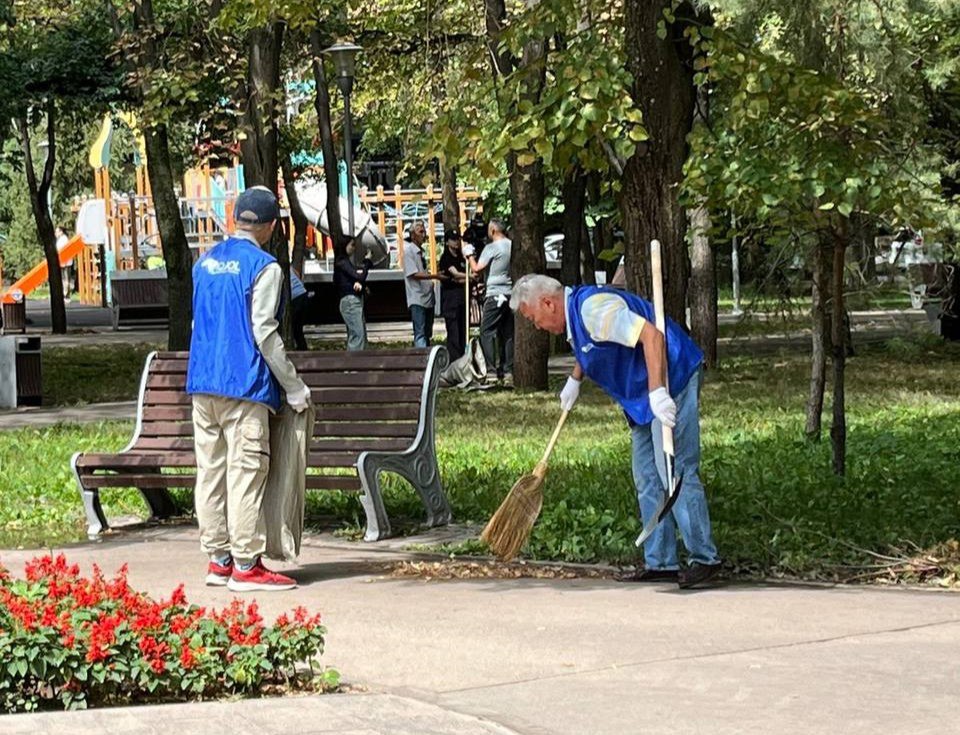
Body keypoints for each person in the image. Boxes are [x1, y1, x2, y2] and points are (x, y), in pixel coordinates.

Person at [509, 274, 722, 589]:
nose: (536, 326)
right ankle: (661, 561)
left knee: (674, 472)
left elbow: (652, 337)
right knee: (647, 477)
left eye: (532, 317)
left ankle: (705, 559)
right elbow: (593, 346)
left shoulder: (594, 311)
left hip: (670, 378)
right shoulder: (574, 313)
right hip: (641, 394)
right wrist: (576, 378)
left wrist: (658, 393)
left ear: (547, 303)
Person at [186, 186, 312, 592]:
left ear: (237, 218)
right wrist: (293, 387)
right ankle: (246, 565)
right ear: (272, 227)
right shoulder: (266, 267)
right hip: (244, 386)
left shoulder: (204, 263)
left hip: (203, 385)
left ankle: (218, 559)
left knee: (211, 472)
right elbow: (264, 332)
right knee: (245, 472)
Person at [463, 218, 513, 386]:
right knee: (507, 333)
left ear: (492, 231)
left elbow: (477, 269)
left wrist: (469, 255)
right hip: (510, 293)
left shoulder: (492, 248)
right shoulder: (512, 245)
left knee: (487, 331)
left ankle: (490, 370)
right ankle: (507, 370)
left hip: (495, 294)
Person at [402, 221, 443, 348]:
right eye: (420, 232)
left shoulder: (421, 252)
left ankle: (426, 357)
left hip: (428, 298)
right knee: (420, 333)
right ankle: (420, 360)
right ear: (413, 235)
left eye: (424, 231)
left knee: (427, 333)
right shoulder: (409, 252)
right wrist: (435, 276)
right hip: (417, 298)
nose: (424, 234)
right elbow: (414, 274)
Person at [333, 240, 373, 351]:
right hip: (350, 301)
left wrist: (360, 284)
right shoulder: (342, 262)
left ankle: (359, 364)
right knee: (358, 336)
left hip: (353, 300)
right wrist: (367, 262)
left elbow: (356, 278)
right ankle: (354, 364)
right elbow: (359, 276)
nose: (354, 248)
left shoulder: (344, 263)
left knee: (360, 335)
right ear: (344, 245)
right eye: (352, 245)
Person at [438, 230, 468, 361]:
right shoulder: (446, 258)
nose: (456, 242)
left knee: (463, 330)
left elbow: (461, 278)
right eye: (453, 239)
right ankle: (454, 361)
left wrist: (466, 278)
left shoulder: (461, 258)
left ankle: (463, 358)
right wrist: (469, 276)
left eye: (457, 239)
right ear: (447, 242)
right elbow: (455, 274)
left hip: (461, 296)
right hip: (450, 298)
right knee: (454, 331)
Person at [290, 269, 310, 351]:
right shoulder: (287, 266)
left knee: (295, 326)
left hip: (295, 297)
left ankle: (302, 349)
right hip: (302, 293)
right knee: (297, 327)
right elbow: (297, 273)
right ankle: (302, 348)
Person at [55, 227, 72, 300]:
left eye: (57, 232)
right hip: (62, 261)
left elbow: (63, 251)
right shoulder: (60, 240)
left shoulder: (64, 239)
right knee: (63, 279)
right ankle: (64, 293)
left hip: (65, 262)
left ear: (61, 232)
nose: (56, 234)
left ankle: (66, 294)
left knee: (66, 279)